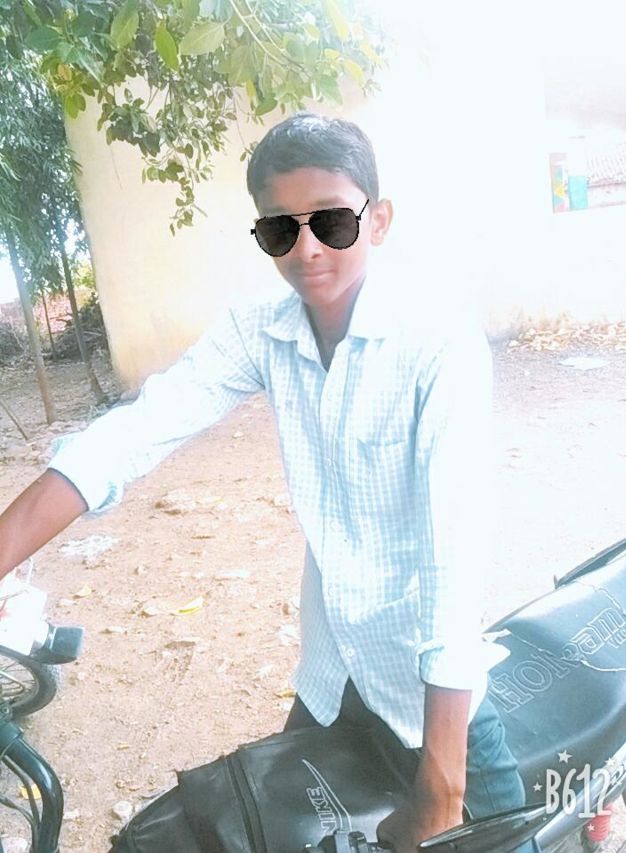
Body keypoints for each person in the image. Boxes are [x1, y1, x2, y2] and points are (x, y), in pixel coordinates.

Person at [0, 112, 527, 853]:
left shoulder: (437, 344)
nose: (307, 249)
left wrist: (441, 789)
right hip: (332, 672)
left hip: (430, 696)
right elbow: (134, 433)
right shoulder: (263, 330)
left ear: (377, 220)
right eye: (281, 229)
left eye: (331, 222)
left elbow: (453, 559)